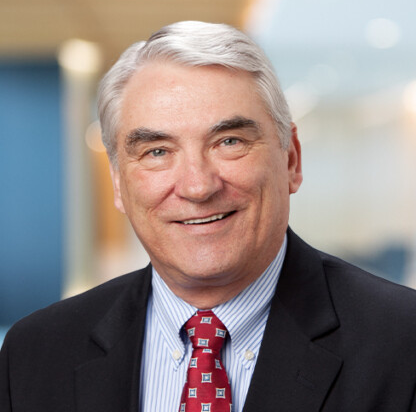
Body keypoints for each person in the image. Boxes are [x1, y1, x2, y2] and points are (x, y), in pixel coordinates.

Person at [1, 21, 416, 412]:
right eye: (157, 152)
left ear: (291, 159)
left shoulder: (403, 342)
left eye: (229, 141)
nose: (198, 187)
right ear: (118, 184)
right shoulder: (34, 355)